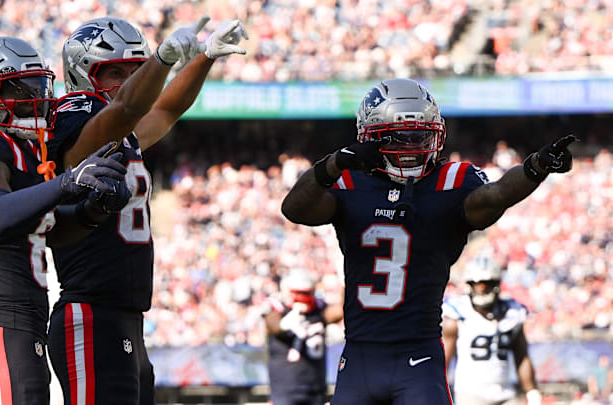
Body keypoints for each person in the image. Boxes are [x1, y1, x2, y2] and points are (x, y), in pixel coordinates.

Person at [280, 78, 576, 405]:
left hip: (418, 358)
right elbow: (294, 209)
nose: (410, 147)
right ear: (369, 137)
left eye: (419, 136)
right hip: (359, 356)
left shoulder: (452, 180)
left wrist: (536, 167)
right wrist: (335, 163)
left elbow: (497, 195)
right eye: (399, 138)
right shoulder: (349, 180)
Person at [45, 16, 247, 404]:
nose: (126, 80)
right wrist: (161, 60)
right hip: (90, 314)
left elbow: (167, 110)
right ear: (81, 75)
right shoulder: (79, 119)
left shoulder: (123, 131)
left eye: (133, 71)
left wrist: (204, 56)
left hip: (126, 318)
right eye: (113, 71)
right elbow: (123, 108)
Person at [0, 37, 131, 405]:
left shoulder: (22, 153)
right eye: (20, 87)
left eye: (39, 85)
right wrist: (65, 182)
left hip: (24, 329)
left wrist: (95, 210)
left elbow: (50, 230)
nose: (36, 96)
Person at [442, 255, 541, 405]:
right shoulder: (457, 312)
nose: (482, 289)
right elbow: (443, 360)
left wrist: (532, 391)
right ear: (469, 285)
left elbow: (521, 356)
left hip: (505, 392)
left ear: (497, 283)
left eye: (487, 284)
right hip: (471, 394)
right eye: (477, 284)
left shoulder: (512, 312)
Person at [263, 268, 343, 405]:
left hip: (315, 389)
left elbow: (342, 309)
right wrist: (286, 323)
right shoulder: (278, 309)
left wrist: (344, 280)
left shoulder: (319, 310)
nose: (302, 296)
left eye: (306, 292)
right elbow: (273, 326)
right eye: (298, 292)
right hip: (285, 391)